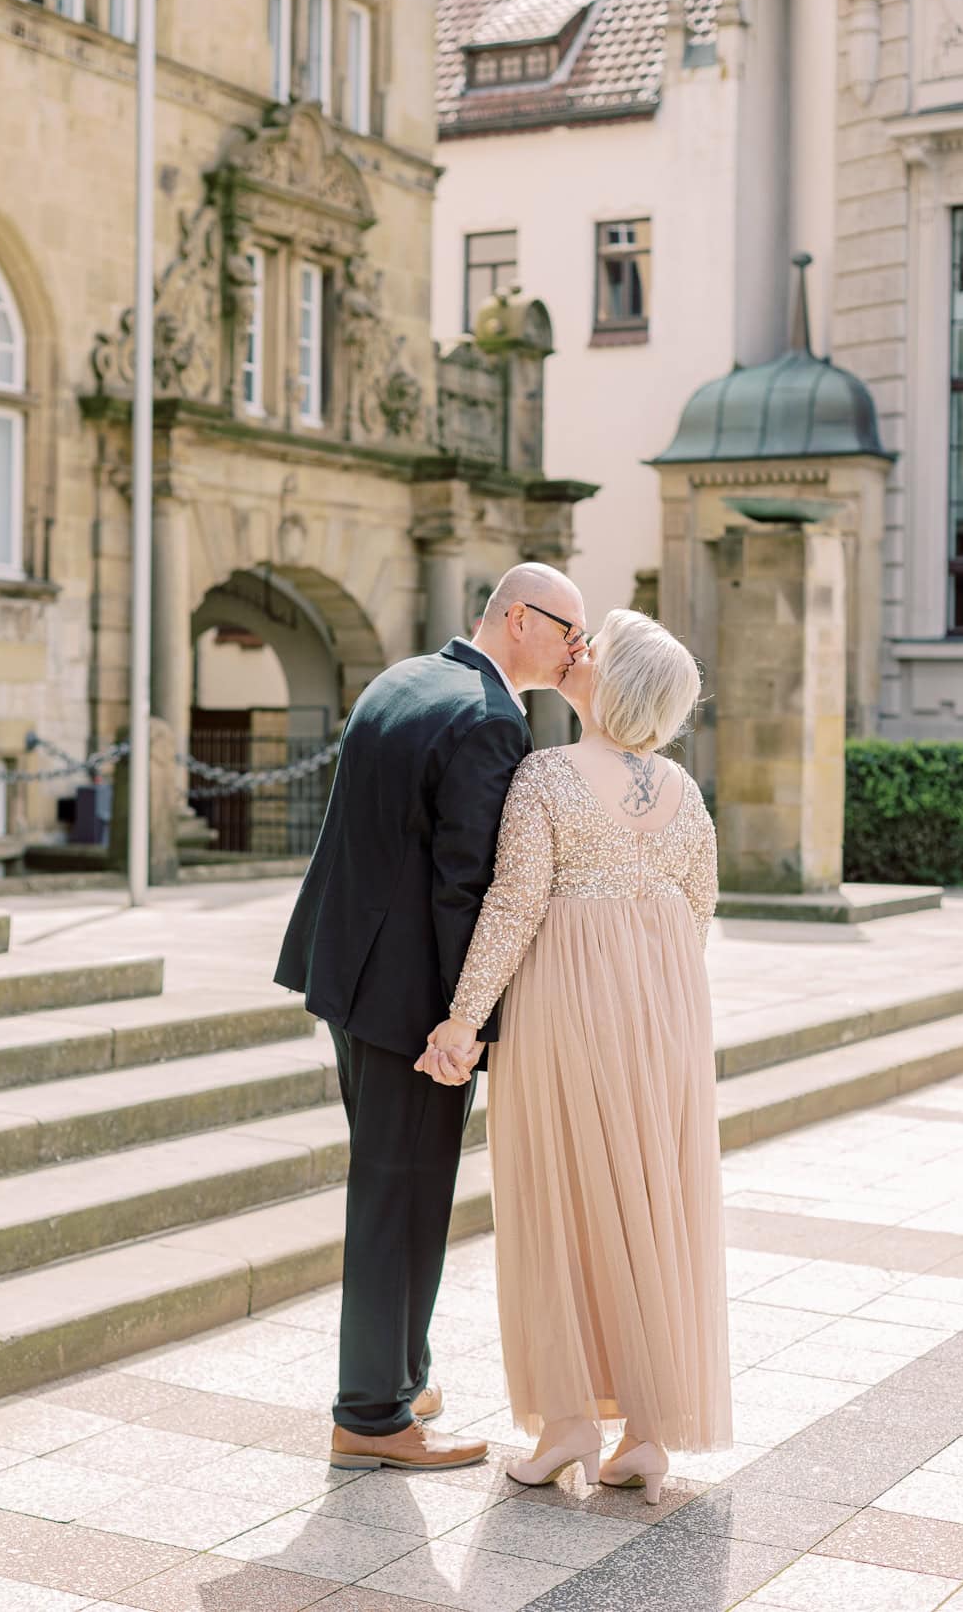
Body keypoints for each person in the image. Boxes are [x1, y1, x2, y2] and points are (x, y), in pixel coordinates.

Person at [274, 563, 588, 1472]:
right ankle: (372, 1415)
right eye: (568, 630)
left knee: (395, 1190)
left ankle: (398, 1369)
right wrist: (469, 1022)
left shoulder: (405, 676)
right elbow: (467, 886)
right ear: (520, 618)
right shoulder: (492, 718)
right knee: (401, 1202)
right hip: (411, 1001)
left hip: (346, 974)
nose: (577, 650)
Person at [417, 609, 731, 1503]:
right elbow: (698, 908)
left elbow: (513, 905)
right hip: (666, 1010)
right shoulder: (686, 792)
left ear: (616, 679)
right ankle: (646, 1433)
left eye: (597, 648)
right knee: (651, 1200)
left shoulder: (548, 774)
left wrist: (463, 1019)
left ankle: (566, 1426)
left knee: (558, 1196)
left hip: (568, 1005)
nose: (579, 652)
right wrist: (655, 989)